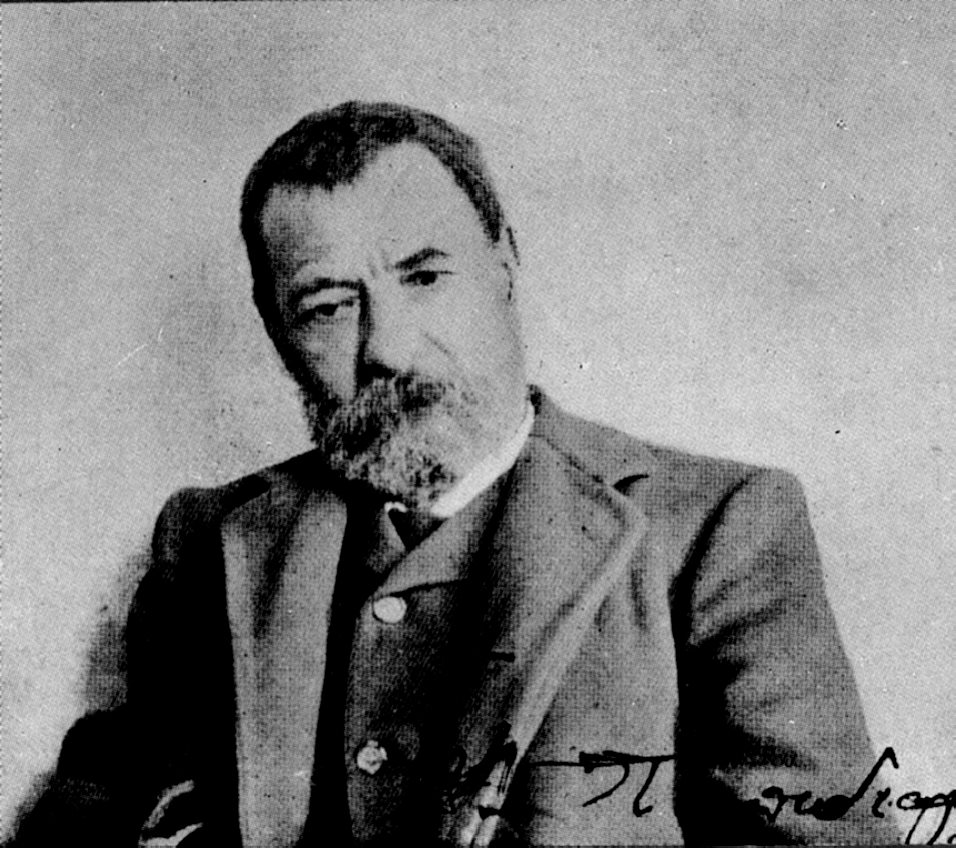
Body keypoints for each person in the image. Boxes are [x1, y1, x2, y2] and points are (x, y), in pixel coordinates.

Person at [11, 101, 899, 846]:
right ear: (277, 330)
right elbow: (98, 810)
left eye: (425, 277)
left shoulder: (717, 529)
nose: (388, 348)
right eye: (328, 307)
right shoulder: (209, 538)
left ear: (504, 265)